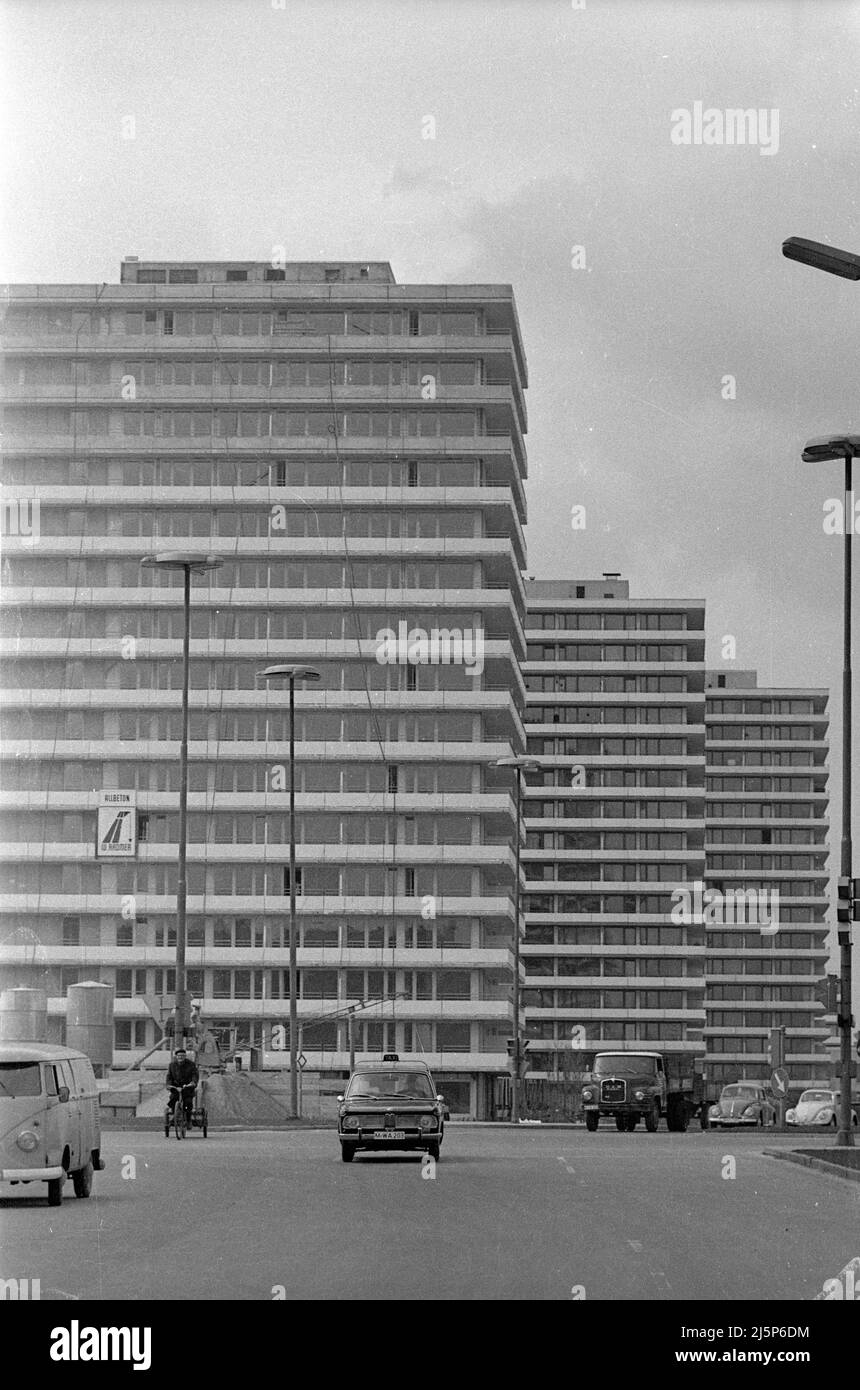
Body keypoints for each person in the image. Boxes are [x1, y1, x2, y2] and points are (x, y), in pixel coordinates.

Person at [166, 1047, 199, 1125]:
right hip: (176, 1088)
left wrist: (193, 1082)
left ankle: (188, 1119)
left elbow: (195, 1075)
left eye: (182, 1056)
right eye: (179, 1056)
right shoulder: (172, 1065)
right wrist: (168, 1084)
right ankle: (175, 1114)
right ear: (176, 1057)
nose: (180, 1057)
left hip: (187, 1087)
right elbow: (169, 1076)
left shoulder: (191, 1064)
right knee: (173, 1099)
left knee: (188, 1103)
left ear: (185, 1056)